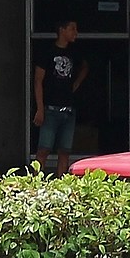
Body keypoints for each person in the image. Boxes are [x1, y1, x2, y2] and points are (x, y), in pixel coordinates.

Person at [31, 19, 86, 173]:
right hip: (50, 109)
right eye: (72, 28)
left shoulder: (74, 52)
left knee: (65, 151)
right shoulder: (47, 52)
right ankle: (36, 183)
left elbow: (84, 67)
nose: (75, 33)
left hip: (68, 109)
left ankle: (61, 184)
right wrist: (40, 109)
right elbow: (38, 81)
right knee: (43, 150)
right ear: (62, 30)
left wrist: (76, 83)